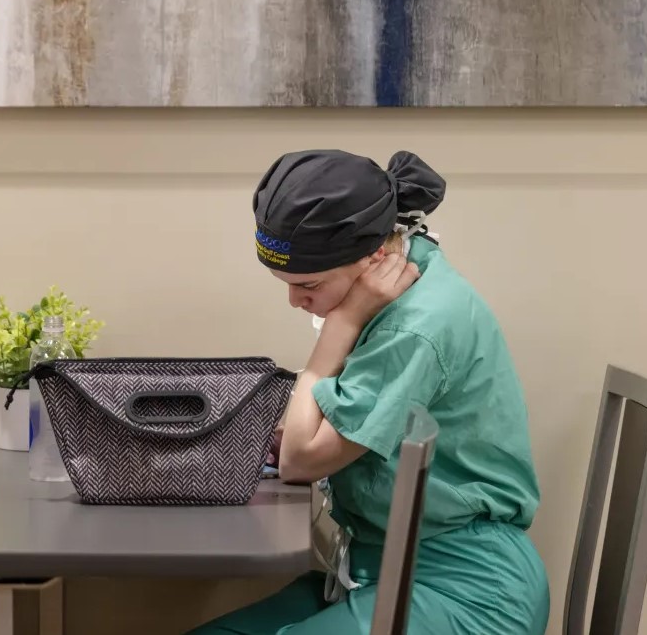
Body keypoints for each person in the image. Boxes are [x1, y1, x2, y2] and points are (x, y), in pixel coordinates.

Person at [191, 149, 549, 635]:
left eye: (308, 285)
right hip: (385, 567)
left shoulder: (411, 326)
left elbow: (300, 461)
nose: (295, 300)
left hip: (466, 590)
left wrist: (339, 327)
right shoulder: (407, 271)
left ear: (375, 254)